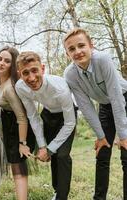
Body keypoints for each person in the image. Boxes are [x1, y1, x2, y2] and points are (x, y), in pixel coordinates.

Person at [63, 27, 127, 200]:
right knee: (102, 153)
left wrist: (123, 135)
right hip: (105, 106)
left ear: (92, 46)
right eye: (71, 49)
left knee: (126, 153)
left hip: (124, 100)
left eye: (81, 45)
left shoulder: (103, 60)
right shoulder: (70, 74)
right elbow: (86, 106)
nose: (77, 51)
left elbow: (116, 97)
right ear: (67, 54)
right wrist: (101, 136)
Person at [15, 51, 76, 200]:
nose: (31, 78)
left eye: (35, 70)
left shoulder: (60, 88)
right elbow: (33, 116)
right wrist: (42, 146)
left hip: (66, 117)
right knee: (52, 156)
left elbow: (70, 123)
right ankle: (57, 191)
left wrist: (49, 148)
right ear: (19, 74)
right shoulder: (20, 87)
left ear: (42, 68)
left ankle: (62, 197)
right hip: (48, 114)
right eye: (25, 73)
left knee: (61, 155)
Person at [0, 46, 35, 200]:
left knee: (19, 170)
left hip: (17, 128)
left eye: (7, 61)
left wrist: (22, 142)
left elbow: (22, 117)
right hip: (8, 126)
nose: (1, 63)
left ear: (13, 65)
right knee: (15, 166)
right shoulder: (0, 83)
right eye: (0, 59)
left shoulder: (10, 87)